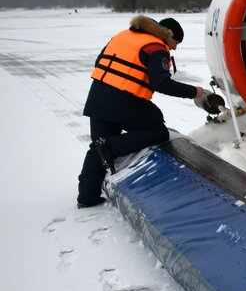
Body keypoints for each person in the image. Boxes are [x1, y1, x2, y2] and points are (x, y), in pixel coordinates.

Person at [76, 15, 224, 208]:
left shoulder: (122, 36)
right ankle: (110, 146)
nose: (174, 48)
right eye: (175, 42)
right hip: (126, 101)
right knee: (157, 131)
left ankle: (87, 198)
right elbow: (161, 83)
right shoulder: (156, 47)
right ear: (167, 34)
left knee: (97, 149)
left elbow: (100, 63)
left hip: (97, 98)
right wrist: (194, 92)